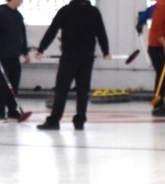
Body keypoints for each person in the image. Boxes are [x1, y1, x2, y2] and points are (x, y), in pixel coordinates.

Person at [34, 0, 110, 131]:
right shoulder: (94, 12)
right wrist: (105, 51)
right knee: (83, 91)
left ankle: (54, 120)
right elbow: (101, 33)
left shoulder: (66, 11)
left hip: (69, 57)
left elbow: (52, 30)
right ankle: (80, 121)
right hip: (87, 57)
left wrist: (41, 49)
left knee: (61, 90)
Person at [0, 0, 30, 122]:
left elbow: (22, 35)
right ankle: (0, 110)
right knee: (3, 84)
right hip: (2, 55)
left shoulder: (18, 15)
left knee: (14, 83)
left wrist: (25, 52)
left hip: (14, 55)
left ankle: (12, 109)